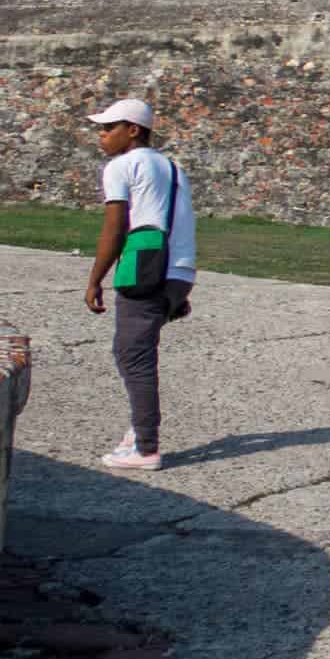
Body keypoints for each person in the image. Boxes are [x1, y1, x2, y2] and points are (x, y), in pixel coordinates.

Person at [82, 97, 198, 471]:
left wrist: (95, 278)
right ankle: (138, 429)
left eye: (108, 128)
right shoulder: (173, 168)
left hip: (146, 271)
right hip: (178, 271)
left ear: (133, 130)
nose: (102, 136)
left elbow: (114, 228)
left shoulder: (122, 165)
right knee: (138, 350)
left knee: (133, 356)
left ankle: (145, 447)